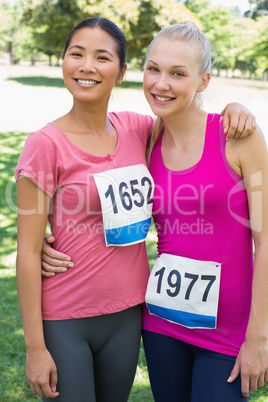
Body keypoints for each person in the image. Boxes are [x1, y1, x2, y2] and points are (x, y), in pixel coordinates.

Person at [22, 17, 256, 402]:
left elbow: (191, 122)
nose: (87, 66)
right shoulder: (60, 142)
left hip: (161, 318)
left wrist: (236, 106)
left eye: (102, 57)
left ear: (121, 72)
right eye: (76, 54)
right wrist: (34, 344)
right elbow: (33, 246)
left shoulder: (146, 130)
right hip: (111, 316)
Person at [141, 22, 268, 401]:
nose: (161, 83)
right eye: (153, 68)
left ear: (203, 81)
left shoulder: (239, 138)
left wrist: (259, 335)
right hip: (163, 324)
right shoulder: (145, 139)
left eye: (178, 73)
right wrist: (49, 243)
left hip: (230, 333)